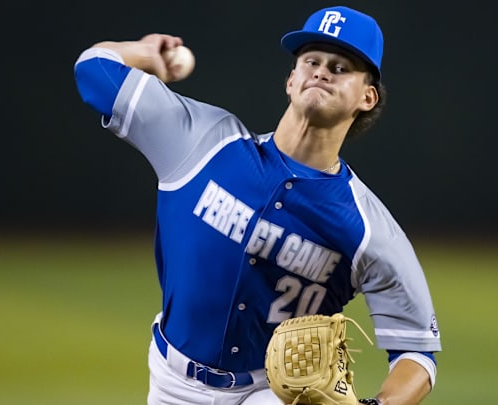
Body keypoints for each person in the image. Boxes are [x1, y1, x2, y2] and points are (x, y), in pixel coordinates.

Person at [74, 5, 441, 405]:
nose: (320, 72)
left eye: (339, 68)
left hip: (271, 393)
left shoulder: (366, 228)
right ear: (290, 79)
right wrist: (145, 54)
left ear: (368, 97)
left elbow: (417, 352)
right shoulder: (203, 141)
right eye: (311, 61)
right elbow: (94, 69)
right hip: (170, 382)